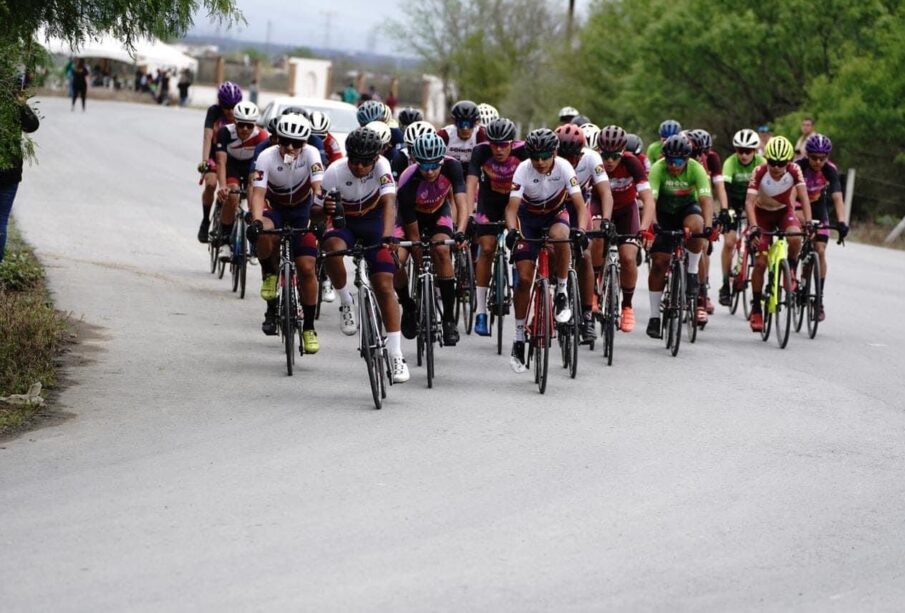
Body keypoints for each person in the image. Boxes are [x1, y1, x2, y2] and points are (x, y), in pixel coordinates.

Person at [318, 127, 411, 383]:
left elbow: (390, 202)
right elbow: (315, 213)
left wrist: (389, 235)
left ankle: (395, 353)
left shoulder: (382, 166)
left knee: (384, 285)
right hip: (344, 224)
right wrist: (324, 207)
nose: (359, 167)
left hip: (374, 224)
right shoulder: (335, 171)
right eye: (354, 161)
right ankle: (346, 300)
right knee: (331, 249)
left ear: (375, 157)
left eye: (365, 162)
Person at [505, 128, 588, 373]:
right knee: (524, 279)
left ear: (554, 152)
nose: (540, 162)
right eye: (535, 157)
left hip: (555, 214)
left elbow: (580, 206)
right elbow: (511, 209)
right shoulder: (523, 169)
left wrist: (581, 230)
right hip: (527, 219)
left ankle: (561, 291)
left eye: (545, 156)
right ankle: (519, 336)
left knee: (561, 238)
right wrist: (511, 230)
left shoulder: (564, 167)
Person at [246, 113, 324, 352]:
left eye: (297, 143)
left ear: (304, 143)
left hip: (301, 211)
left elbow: (318, 188)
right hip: (276, 209)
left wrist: (320, 218)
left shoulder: (312, 154)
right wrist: (256, 220)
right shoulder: (265, 156)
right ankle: (270, 273)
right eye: (285, 141)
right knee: (264, 234)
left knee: (308, 267)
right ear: (277, 138)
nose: (290, 147)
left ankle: (309, 328)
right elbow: (258, 194)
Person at [394, 132, 469, 345]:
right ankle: (408, 306)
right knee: (395, 260)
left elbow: (461, 201)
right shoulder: (408, 179)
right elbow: (413, 234)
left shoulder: (452, 167)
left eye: (434, 166)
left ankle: (448, 320)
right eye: (424, 166)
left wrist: (461, 230)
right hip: (411, 218)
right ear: (416, 161)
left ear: (442, 161)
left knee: (442, 251)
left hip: (438, 212)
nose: (430, 171)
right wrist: (420, 267)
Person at [641, 134, 713, 338]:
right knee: (659, 263)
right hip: (663, 212)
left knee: (698, 226)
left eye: (679, 161)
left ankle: (691, 273)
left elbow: (706, 200)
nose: (674, 165)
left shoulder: (696, 169)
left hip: (687, 210)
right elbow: (651, 201)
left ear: (687, 159)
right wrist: (652, 224)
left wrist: (708, 227)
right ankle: (655, 317)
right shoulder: (658, 169)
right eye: (670, 160)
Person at [467, 117, 528, 337]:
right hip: (489, 202)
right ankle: (481, 312)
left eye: (504, 144)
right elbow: (471, 183)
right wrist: (470, 214)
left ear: (512, 142)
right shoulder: (480, 151)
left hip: (515, 200)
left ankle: (515, 269)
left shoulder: (523, 152)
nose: (499, 149)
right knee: (487, 247)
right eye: (494, 144)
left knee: (520, 241)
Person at [744, 135, 812, 332]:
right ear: (766, 159)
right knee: (761, 263)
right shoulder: (759, 171)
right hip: (761, 215)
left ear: (788, 162)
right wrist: (753, 226)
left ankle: (790, 267)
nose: (776, 167)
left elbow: (804, 198)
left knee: (795, 236)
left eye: (781, 163)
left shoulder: (794, 170)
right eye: (772, 162)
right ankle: (756, 308)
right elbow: (749, 203)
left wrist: (808, 222)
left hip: (784, 211)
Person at [596, 125, 654, 333]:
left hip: (626, 211)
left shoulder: (632, 163)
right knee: (595, 238)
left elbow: (647, 199)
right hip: (601, 208)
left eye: (614, 156)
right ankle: (593, 291)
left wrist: (645, 228)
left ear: (623, 152)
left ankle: (627, 306)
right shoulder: (595, 163)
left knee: (629, 257)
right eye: (605, 155)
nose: (609, 161)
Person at [793, 133, 849, 321]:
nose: (817, 162)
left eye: (822, 159)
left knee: (820, 250)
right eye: (814, 158)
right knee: (801, 233)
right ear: (807, 155)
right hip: (798, 205)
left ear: (827, 157)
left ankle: (818, 299)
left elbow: (837, 197)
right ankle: (794, 269)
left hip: (818, 207)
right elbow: (790, 197)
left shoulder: (830, 170)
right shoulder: (798, 167)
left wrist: (842, 222)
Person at [717, 128, 765, 305]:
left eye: (748, 151)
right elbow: (725, 189)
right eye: (740, 151)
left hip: (754, 202)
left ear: (755, 151)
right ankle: (724, 285)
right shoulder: (730, 163)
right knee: (729, 242)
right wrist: (727, 210)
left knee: (759, 241)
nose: (744, 155)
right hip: (734, 202)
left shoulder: (761, 162)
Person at [197, 81, 242, 243]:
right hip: (214, 155)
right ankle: (205, 220)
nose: (230, 111)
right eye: (226, 107)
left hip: (233, 158)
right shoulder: (214, 112)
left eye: (233, 107)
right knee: (210, 184)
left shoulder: (241, 113)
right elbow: (207, 136)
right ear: (220, 104)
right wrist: (204, 161)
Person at [0, 95, 40, 262]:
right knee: (1, 220)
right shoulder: (14, 102)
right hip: (10, 170)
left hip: (10, 171)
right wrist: (22, 104)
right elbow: (32, 125)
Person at [437, 100, 488, 166]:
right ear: (454, 122)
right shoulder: (444, 135)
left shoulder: (481, 134)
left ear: (476, 123)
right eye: (461, 123)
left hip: (473, 168)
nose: (465, 128)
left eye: (470, 123)